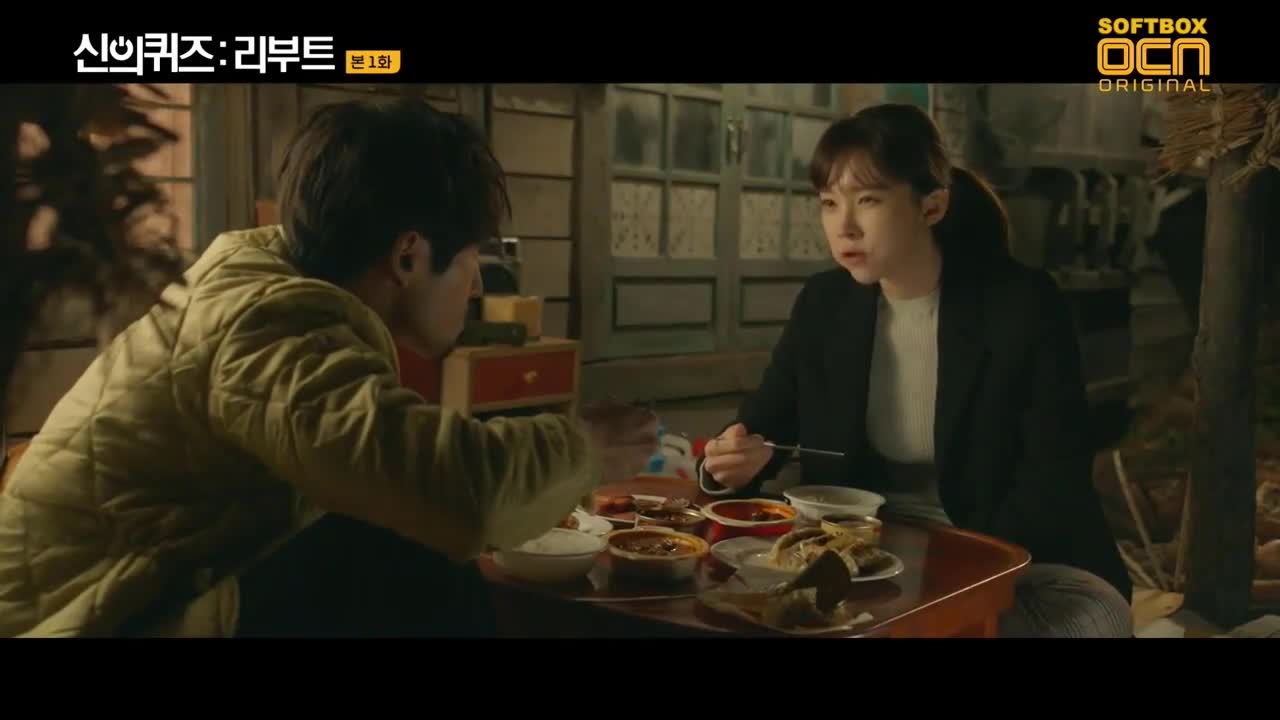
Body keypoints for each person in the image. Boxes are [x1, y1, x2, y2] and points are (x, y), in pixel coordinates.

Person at [0, 98, 659, 638]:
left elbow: (381, 452)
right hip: (87, 618)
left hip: (139, 590)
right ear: (408, 256)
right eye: (472, 259)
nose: (478, 285)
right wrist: (585, 446)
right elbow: (451, 490)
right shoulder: (269, 320)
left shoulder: (267, 286)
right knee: (411, 556)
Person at [697, 103, 1133, 639]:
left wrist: (935, 572)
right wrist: (729, 462)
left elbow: (1054, 480)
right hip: (862, 562)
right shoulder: (825, 305)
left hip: (1013, 562)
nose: (844, 226)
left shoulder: (1021, 304)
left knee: (1080, 623)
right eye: (829, 203)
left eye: (869, 200)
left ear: (932, 206)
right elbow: (762, 425)